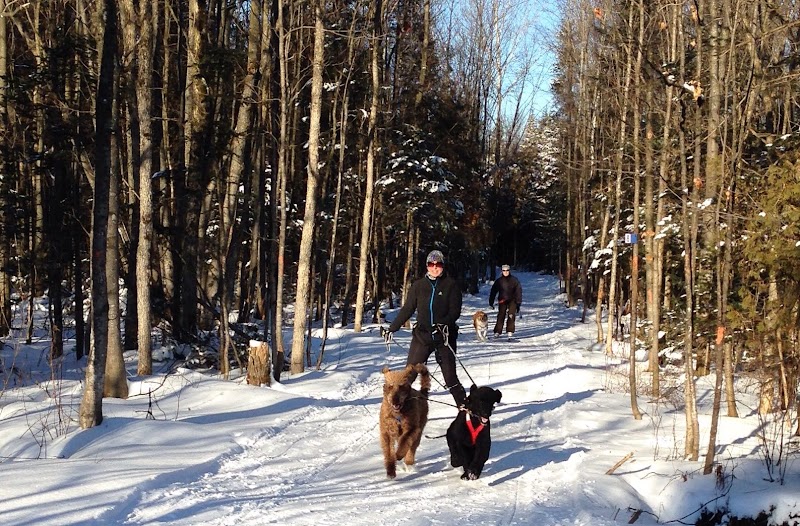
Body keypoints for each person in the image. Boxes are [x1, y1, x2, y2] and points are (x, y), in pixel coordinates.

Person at [383, 250, 466, 407]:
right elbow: (408, 309)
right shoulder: (418, 286)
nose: (435, 268)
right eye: (431, 264)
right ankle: (398, 409)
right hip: (422, 336)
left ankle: (465, 410)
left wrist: (444, 323)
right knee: (409, 375)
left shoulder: (451, 285)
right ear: (427, 266)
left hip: (444, 337)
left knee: (450, 378)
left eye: (438, 264)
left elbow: (455, 311)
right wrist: (392, 328)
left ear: (443, 266)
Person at [489, 264, 522, 340]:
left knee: (511, 315)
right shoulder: (499, 281)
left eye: (507, 270)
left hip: (512, 300)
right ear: (502, 271)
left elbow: (518, 291)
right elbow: (493, 291)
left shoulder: (514, 280)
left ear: (509, 271)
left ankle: (510, 331)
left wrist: (518, 302)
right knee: (501, 315)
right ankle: (497, 331)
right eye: (504, 270)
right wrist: (491, 302)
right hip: (502, 300)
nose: (505, 272)